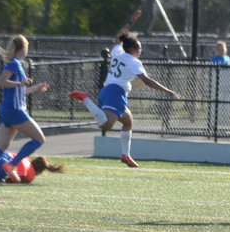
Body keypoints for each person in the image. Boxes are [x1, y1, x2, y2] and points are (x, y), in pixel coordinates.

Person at [69, 32, 180, 167]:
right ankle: (86, 99)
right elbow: (147, 81)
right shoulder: (134, 61)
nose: (141, 51)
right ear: (132, 49)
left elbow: (118, 39)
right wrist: (167, 91)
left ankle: (125, 155)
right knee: (106, 125)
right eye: (139, 48)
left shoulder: (118, 52)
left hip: (109, 91)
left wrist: (129, 24)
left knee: (128, 121)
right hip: (115, 93)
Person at [0, 34, 50, 191]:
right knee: (39, 139)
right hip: (15, 110)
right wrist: (20, 82)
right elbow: (1, 82)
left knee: (1, 147)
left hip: (7, 110)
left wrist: (35, 88)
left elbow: (18, 91)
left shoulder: (17, 64)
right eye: (27, 47)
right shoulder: (14, 64)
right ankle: (11, 165)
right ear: (24, 48)